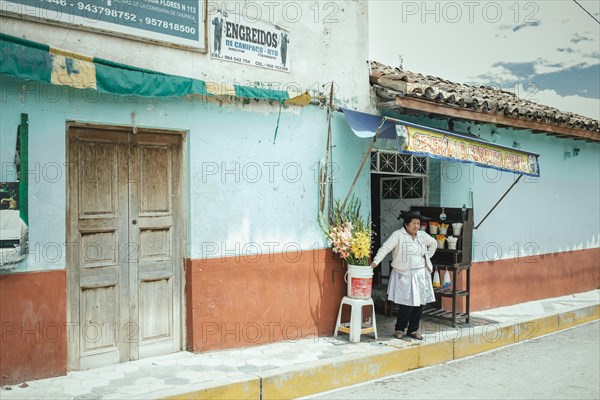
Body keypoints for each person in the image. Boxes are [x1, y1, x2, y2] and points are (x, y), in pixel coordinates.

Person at [370, 210, 437, 340]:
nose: (416, 226)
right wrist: (376, 261)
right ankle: (399, 328)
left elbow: (433, 243)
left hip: (420, 274)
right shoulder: (398, 235)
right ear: (406, 224)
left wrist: (427, 256)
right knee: (406, 303)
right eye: (414, 223)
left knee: (419, 304)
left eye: (418, 223)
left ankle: (413, 330)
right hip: (404, 274)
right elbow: (385, 248)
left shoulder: (422, 235)